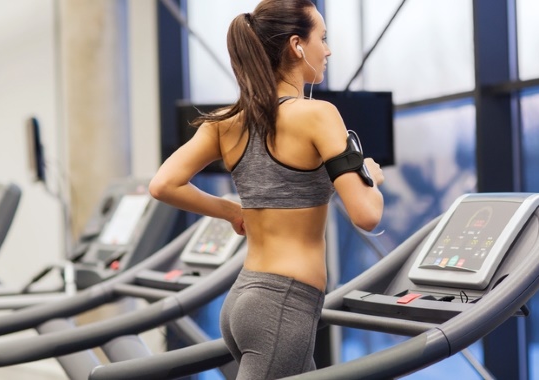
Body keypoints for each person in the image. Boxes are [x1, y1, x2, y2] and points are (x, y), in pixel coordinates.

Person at [148, 0, 385, 378]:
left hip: (245, 297)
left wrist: (230, 211)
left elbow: (163, 184)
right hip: (282, 305)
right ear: (297, 45)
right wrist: (372, 178)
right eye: (322, 39)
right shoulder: (318, 115)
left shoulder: (226, 122)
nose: (327, 50)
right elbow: (367, 215)